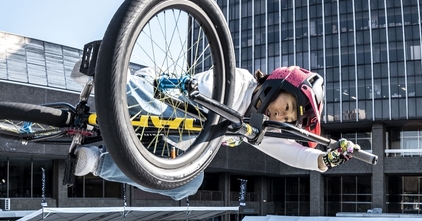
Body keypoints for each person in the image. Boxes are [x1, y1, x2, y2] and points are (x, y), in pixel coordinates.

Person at [72, 66, 361, 200]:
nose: (280, 116)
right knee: (153, 106)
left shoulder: (259, 125)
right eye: (284, 106)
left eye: (288, 117)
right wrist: (235, 123)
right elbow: (201, 98)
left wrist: (325, 161)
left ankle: (98, 162)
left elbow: (291, 153)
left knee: (189, 183)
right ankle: (101, 74)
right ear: (278, 85)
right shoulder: (238, 81)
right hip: (160, 99)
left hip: (168, 141)